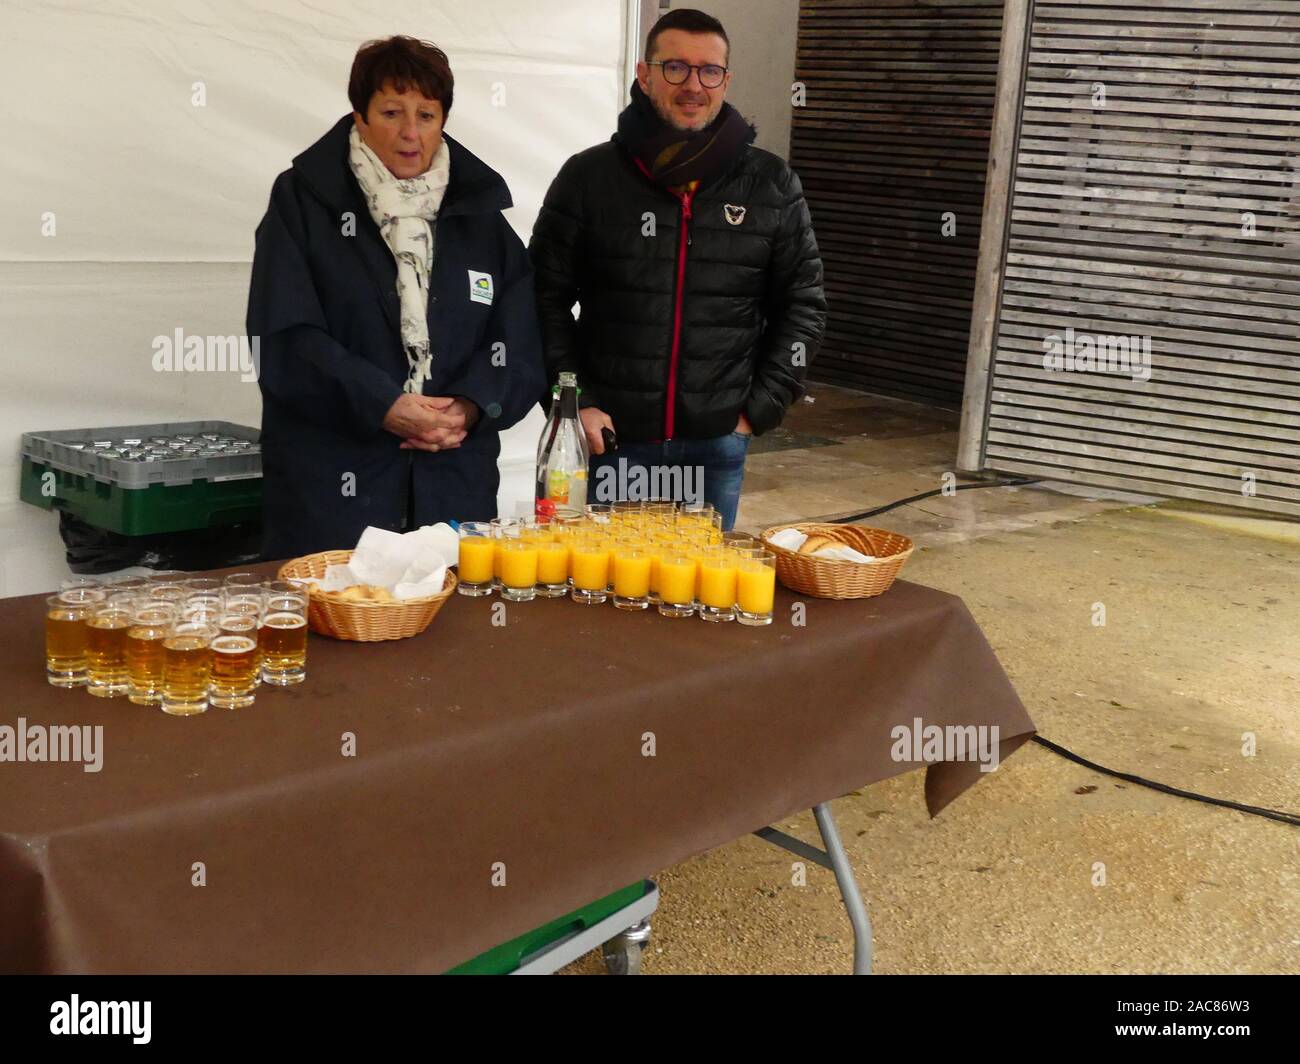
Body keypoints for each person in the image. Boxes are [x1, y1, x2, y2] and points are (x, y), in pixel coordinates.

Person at [247, 35, 545, 559]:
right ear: (359, 116)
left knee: (455, 637)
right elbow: (285, 340)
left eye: (426, 115)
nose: (411, 133)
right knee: (342, 628)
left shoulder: (482, 220)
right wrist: (382, 405)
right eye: (391, 112)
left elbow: (520, 343)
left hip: (455, 491)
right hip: (332, 496)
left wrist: (469, 407)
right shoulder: (301, 203)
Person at [529, 8, 826, 530]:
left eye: (709, 70)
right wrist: (575, 406)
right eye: (675, 68)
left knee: (699, 599)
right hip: (612, 441)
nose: (694, 84)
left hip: (716, 445)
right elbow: (540, 300)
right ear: (644, 76)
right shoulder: (588, 177)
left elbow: (803, 304)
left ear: (726, 80)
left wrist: (757, 410)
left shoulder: (770, 184)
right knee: (604, 596)